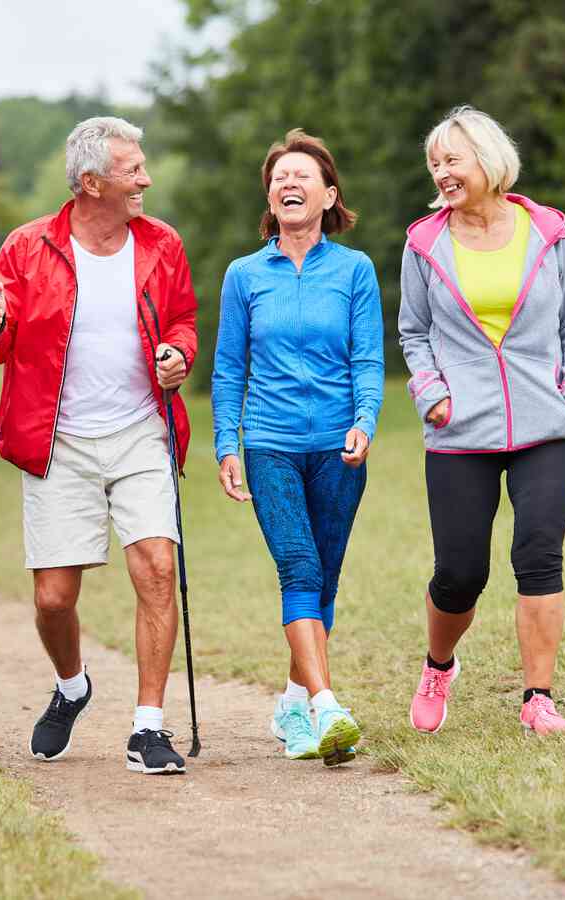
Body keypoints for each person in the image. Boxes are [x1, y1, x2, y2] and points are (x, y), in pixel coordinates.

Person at [0, 116, 198, 774]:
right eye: (133, 170)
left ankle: (148, 728)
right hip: (57, 439)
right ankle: (72, 686)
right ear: (92, 182)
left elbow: (183, 320)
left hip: (140, 431)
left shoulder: (162, 244)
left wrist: (178, 355)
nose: (145, 178)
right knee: (53, 599)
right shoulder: (27, 247)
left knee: (157, 566)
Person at [398, 106, 565, 736]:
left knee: (539, 555)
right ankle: (439, 665)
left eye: (452, 160)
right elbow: (413, 331)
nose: (441, 172)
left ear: (488, 160)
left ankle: (538, 698)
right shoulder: (424, 243)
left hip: (546, 421)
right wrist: (431, 392)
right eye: (435, 163)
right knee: (461, 573)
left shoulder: (549, 233)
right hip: (460, 428)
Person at [211, 129, 384, 765]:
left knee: (324, 579)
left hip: (339, 448)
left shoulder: (355, 270)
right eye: (279, 177)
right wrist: (226, 443)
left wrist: (365, 420)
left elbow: (368, 358)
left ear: (328, 195)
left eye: (302, 175)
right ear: (270, 197)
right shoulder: (244, 275)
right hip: (271, 444)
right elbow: (228, 368)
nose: (289, 183)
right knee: (299, 569)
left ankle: (291, 704)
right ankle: (327, 706)